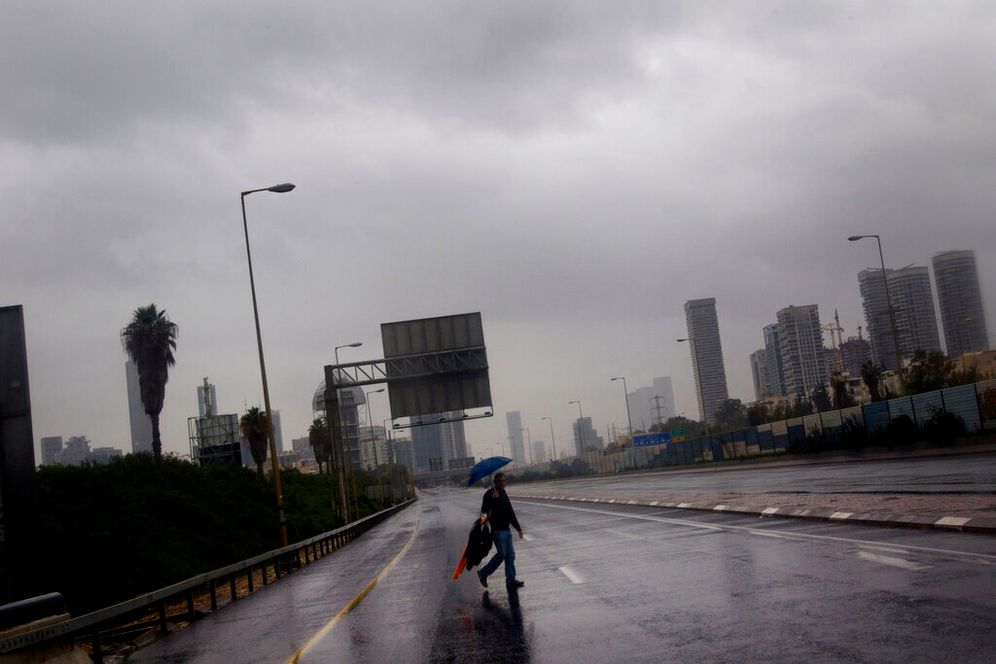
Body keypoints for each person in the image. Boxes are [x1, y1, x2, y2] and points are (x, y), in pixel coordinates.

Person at [477, 472, 524, 589]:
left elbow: (510, 511)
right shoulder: (489, 494)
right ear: (496, 482)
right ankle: (483, 573)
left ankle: (511, 580)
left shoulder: (503, 493)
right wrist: (493, 500)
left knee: (510, 556)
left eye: (505, 481)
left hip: (506, 529)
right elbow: (484, 512)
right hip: (497, 530)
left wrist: (518, 528)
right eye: (501, 481)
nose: (504, 483)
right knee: (502, 554)